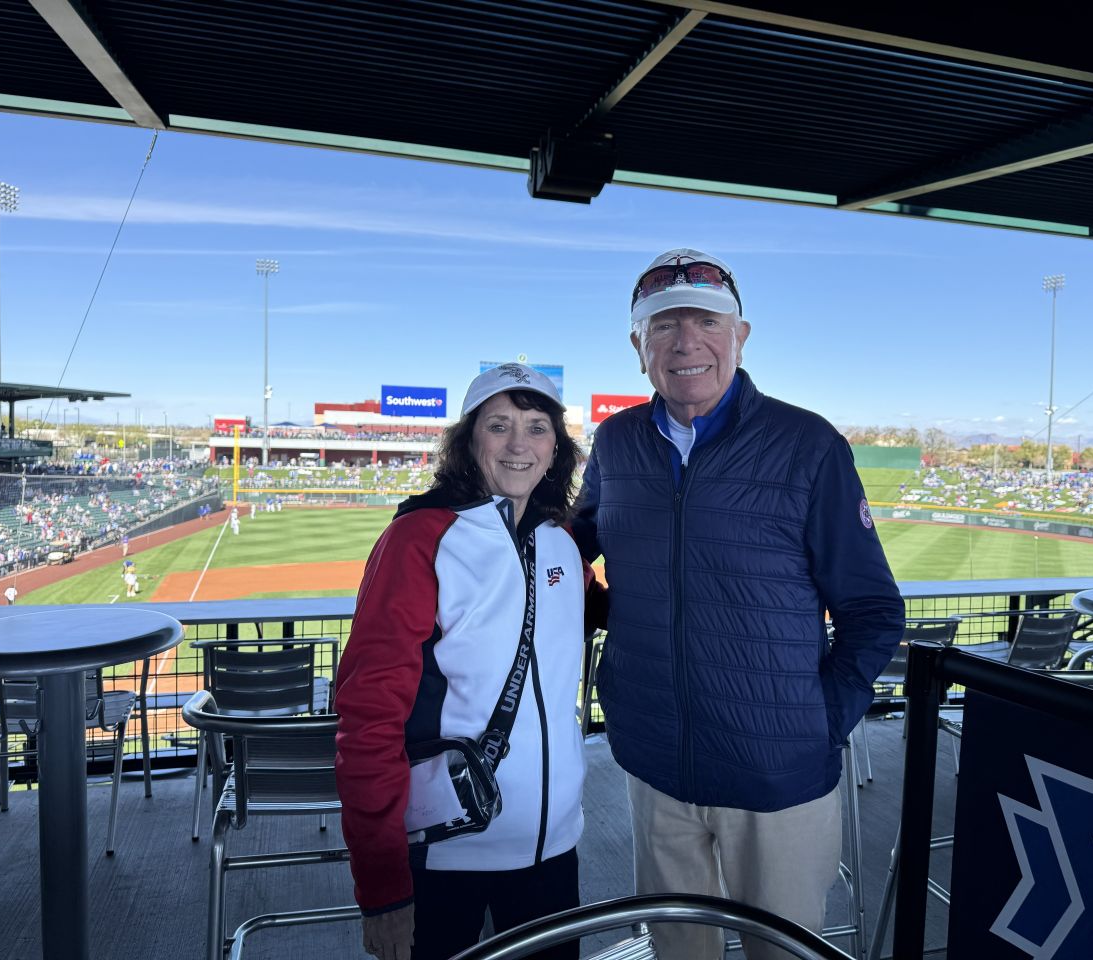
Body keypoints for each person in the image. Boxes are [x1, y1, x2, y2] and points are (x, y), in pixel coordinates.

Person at [572, 248, 905, 959]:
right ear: (639, 348)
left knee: (779, 952)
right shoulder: (616, 439)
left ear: (740, 336)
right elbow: (572, 552)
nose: (685, 341)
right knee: (678, 951)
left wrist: (818, 719)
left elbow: (874, 611)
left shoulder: (808, 444)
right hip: (655, 761)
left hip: (776, 771)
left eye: (705, 321)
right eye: (663, 326)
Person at [336, 363, 600, 960]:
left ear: (556, 446)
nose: (518, 445)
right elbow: (368, 716)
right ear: (467, 441)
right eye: (499, 425)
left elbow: (592, 610)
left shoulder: (559, 540)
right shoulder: (417, 539)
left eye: (536, 427)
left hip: (554, 850)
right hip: (442, 853)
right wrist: (382, 888)